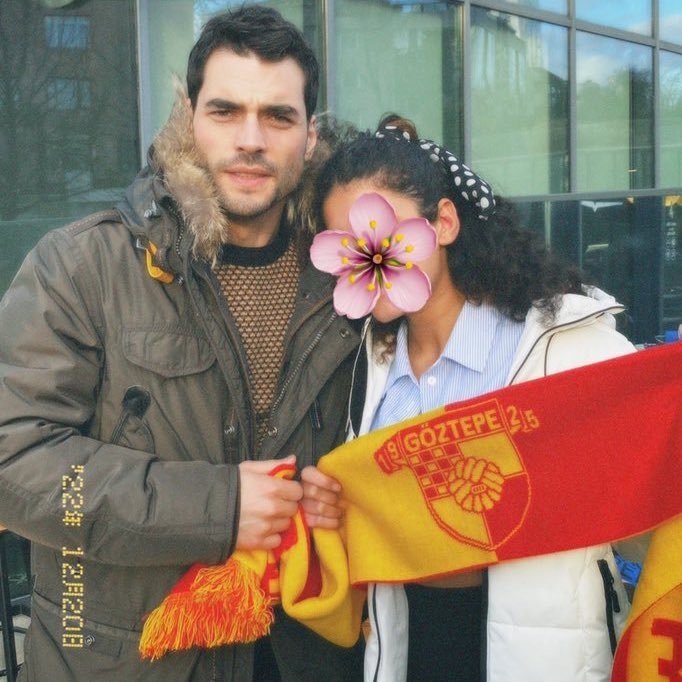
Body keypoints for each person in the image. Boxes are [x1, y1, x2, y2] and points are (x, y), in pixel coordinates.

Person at [0, 7, 363, 682]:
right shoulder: (82, 267)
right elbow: (14, 462)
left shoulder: (352, 276)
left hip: (309, 650)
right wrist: (218, 507)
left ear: (310, 135)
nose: (250, 140)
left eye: (278, 117)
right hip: (126, 657)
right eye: (225, 111)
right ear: (189, 117)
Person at [301, 115, 635, 682]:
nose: (370, 260)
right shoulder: (360, 365)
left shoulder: (562, 342)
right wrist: (332, 511)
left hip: (544, 653)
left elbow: (644, 480)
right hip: (408, 646)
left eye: (382, 235)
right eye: (349, 248)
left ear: (445, 223)